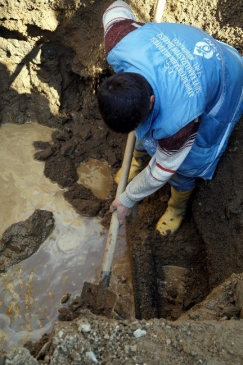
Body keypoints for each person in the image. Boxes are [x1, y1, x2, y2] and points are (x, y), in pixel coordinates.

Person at [97, 0, 243, 236]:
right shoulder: (119, 40)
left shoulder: (179, 119)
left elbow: (162, 170)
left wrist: (127, 199)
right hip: (187, 47)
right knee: (148, 134)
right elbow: (116, 5)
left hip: (225, 74)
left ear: (152, 102)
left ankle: (177, 206)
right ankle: (138, 160)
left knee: (186, 164)